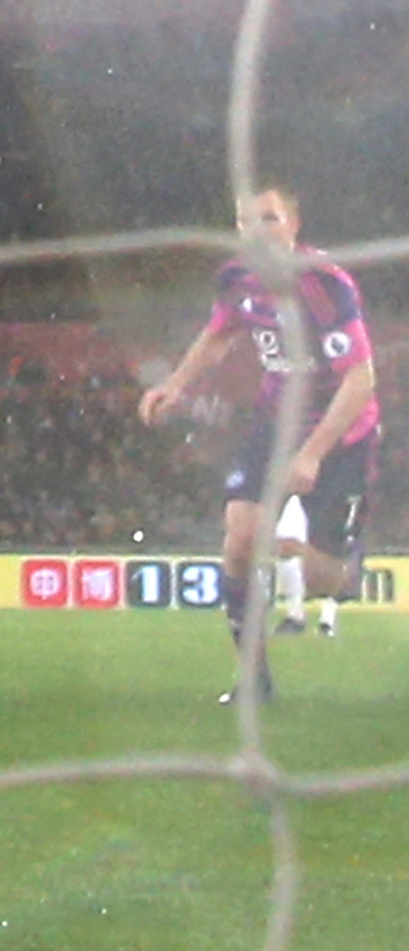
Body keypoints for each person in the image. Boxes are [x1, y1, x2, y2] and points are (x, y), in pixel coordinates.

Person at [140, 185, 376, 701]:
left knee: (325, 580)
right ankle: (254, 681)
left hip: (341, 430)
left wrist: (313, 452)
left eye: (269, 218)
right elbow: (219, 333)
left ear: (294, 224)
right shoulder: (235, 277)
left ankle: (334, 562)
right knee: (240, 540)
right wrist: (175, 385)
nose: (258, 231)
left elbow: (360, 380)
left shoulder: (326, 285)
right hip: (275, 419)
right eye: (247, 221)